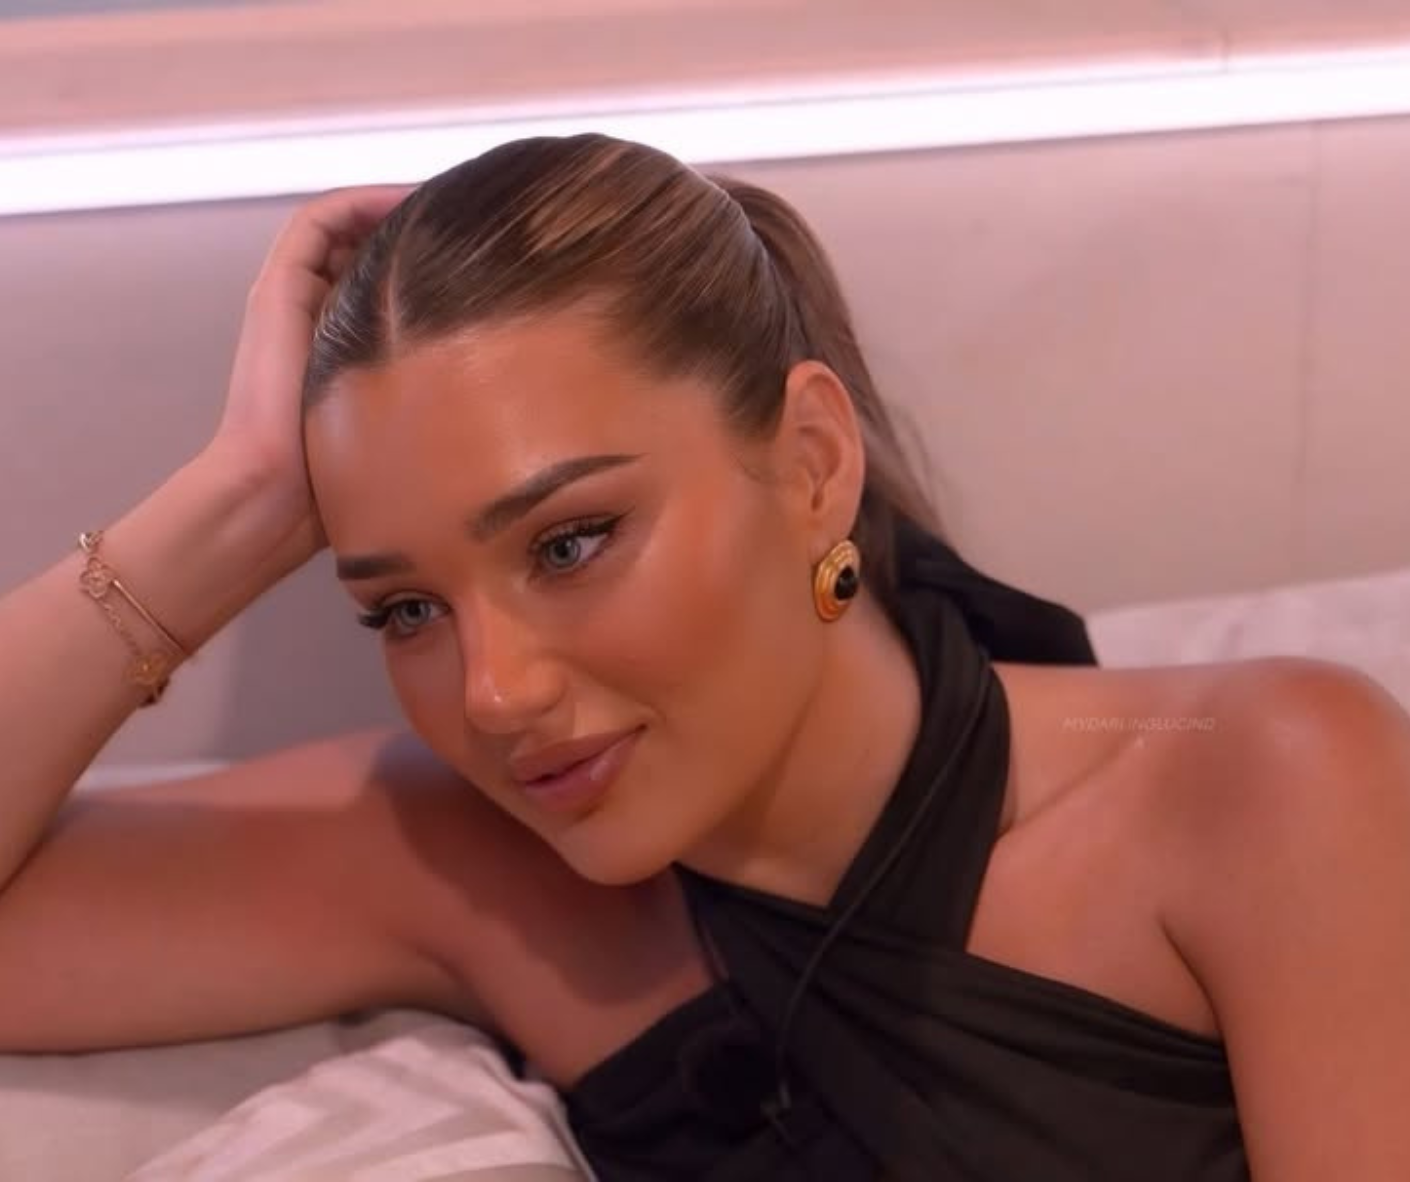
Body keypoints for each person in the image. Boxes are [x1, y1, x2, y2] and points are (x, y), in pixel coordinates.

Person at [1, 133, 1408, 1182]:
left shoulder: (1263, 779)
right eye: (406, 610)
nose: (494, 694)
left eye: (569, 542)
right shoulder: (473, 873)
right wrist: (232, 506)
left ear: (812, 462)